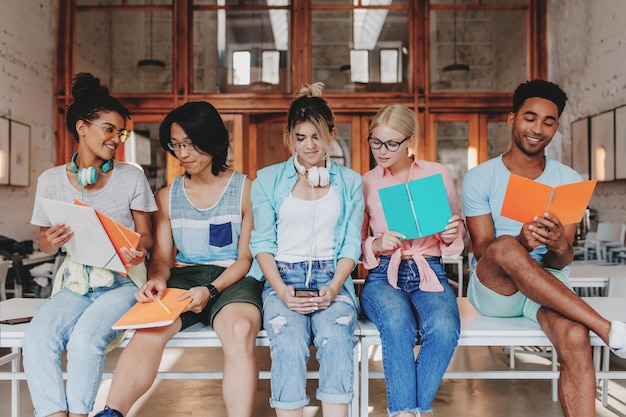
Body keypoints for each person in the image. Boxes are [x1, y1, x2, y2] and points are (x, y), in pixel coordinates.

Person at [462, 79, 626, 417]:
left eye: (548, 122)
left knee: (576, 339)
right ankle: (607, 328)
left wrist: (556, 243)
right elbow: (481, 250)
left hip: (548, 284)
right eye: (530, 118)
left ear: (555, 128)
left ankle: (595, 330)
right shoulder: (480, 177)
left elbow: (564, 258)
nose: (537, 128)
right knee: (506, 246)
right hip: (498, 290)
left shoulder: (568, 178)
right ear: (512, 119)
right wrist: (523, 243)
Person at [93, 101, 263, 417]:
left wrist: (211, 291)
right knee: (150, 327)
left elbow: (245, 258)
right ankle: (111, 412)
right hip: (185, 275)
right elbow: (160, 259)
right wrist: (156, 280)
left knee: (239, 330)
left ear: (212, 140)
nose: (183, 153)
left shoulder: (246, 190)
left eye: (190, 144)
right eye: (176, 145)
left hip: (234, 278)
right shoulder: (167, 197)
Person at [22, 72, 157, 417]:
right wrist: (52, 241)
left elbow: (146, 235)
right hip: (75, 284)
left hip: (124, 281)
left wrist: (139, 248)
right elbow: (44, 241)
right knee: (37, 339)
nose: (116, 139)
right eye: (109, 129)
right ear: (82, 128)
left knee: (85, 340)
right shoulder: (50, 181)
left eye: (119, 132)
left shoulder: (131, 176)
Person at [249, 82, 364, 417]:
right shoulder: (267, 181)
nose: (309, 146)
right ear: (289, 138)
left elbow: (351, 244)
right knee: (287, 342)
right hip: (282, 277)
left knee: (337, 336)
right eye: (300, 138)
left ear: (332, 133)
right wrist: (282, 290)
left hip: (333, 276)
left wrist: (334, 286)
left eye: (316, 136)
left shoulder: (351, 181)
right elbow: (262, 244)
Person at [359, 104, 464, 417]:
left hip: (427, 268)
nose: (382, 150)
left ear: (410, 141)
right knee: (397, 327)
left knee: (445, 329)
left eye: (392, 143)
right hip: (382, 275)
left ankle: (409, 410)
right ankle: (408, 413)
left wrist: (450, 234)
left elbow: (456, 233)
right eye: (375, 141)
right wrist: (376, 243)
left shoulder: (437, 173)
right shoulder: (366, 182)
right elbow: (354, 242)